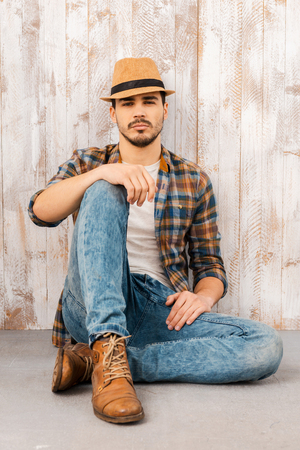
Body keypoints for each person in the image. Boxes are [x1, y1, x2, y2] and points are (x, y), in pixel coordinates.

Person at [28, 57, 283, 424]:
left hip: (157, 308)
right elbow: (40, 210)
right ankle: (106, 342)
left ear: (164, 109)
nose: (139, 112)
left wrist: (204, 295)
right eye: (127, 103)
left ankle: (97, 363)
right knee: (103, 191)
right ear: (113, 114)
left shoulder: (193, 180)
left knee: (265, 347)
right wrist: (105, 173)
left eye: (148, 101)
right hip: (90, 302)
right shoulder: (89, 162)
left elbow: (210, 265)